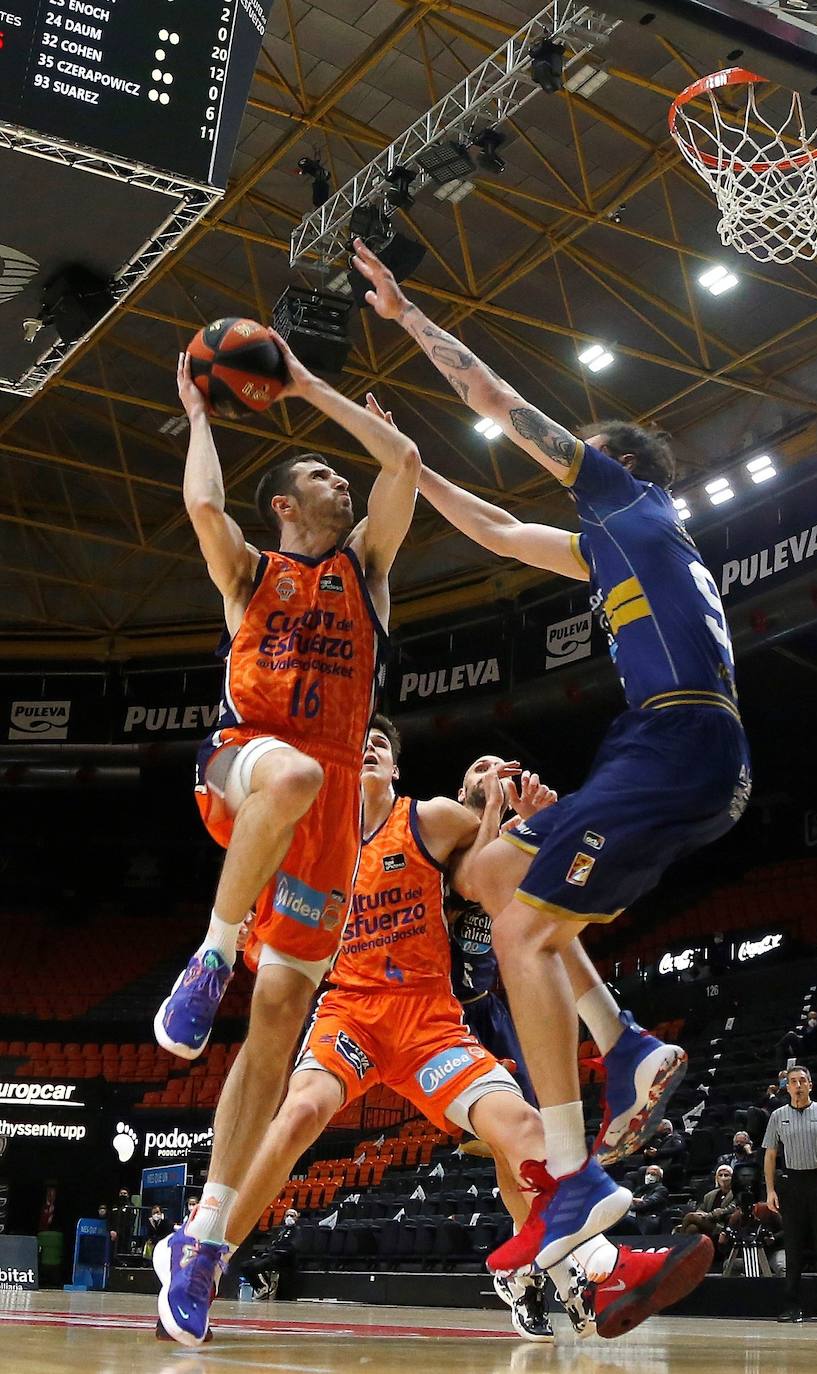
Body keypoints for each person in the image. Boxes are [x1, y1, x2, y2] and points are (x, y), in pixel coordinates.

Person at [353, 240, 749, 1295]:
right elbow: (490, 524)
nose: (565, 470)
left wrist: (405, 318)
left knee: (519, 925)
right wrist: (409, 468)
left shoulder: (622, 497)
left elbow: (495, 396)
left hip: (676, 738)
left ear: (612, 465)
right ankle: (621, 1052)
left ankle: (576, 1172)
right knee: (492, 884)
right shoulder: (618, 546)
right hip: (676, 746)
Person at [217, 723, 690, 1343]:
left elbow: (491, 876)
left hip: (430, 1021)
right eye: (359, 741)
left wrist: (524, 823)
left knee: (523, 1127)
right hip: (351, 1012)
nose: (368, 748)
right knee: (300, 1113)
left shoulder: (429, 819)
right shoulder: (311, 839)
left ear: (395, 771)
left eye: (381, 744)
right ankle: (208, 1256)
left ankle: (598, 1269)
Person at [152, 338, 420, 1348]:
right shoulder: (251, 571)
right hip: (245, 765)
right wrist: (204, 415)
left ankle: (205, 1239)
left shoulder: (369, 572)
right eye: (319, 471)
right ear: (283, 504)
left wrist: (308, 386)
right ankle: (210, 955)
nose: (338, 478)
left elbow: (403, 465)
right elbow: (200, 509)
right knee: (298, 772)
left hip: (321, 827)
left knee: (274, 1032)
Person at [448, 754, 537, 1104]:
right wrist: (496, 812)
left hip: (484, 1003)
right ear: (461, 792)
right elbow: (471, 885)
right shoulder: (444, 841)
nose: (491, 775)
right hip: (443, 1010)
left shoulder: (506, 843)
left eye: (499, 771)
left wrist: (540, 826)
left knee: (529, 1115)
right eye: (481, 769)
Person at [762, 1066, 817, 1323]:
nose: (797, 1085)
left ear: (810, 1085)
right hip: (792, 1182)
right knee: (793, 1246)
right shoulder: (777, 1115)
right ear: (787, 1087)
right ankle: (792, 1306)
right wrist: (770, 1190)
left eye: (802, 1081)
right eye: (792, 1082)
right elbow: (770, 1154)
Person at [239, 1208, 299, 1299]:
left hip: (282, 1258)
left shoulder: (297, 1231)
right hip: (270, 1255)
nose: (289, 1217)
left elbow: (294, 1246)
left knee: (256, 1266)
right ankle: (261, 1288)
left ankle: (267, 1288)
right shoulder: (279, 1230)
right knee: (245, 1266)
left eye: (292, 1216)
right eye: (287, 1215)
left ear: (296, 1218)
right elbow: (271, 1243)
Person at [675, 1165, 737, 1248]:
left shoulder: (736, 1193)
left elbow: (730, 1209)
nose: (723, 1178)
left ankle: (676, 1247)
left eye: (726, 1175)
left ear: (732, 1178)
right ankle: (688, 1255)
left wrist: (709, 1215)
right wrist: (704, 1214)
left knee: (691, 1216)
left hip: (721, 1226)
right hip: (706, 1222)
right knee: (692, 1228)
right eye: (720, 1175)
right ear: (716, 1177)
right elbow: (700, 1210)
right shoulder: (710, 1195)